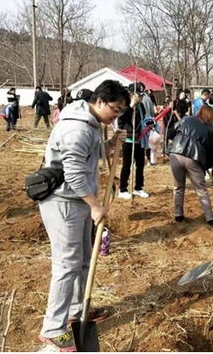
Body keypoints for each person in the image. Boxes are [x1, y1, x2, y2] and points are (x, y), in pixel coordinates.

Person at [37, 79, 129, 351]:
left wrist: (112, 143)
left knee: (85, 259)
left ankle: (79, 309)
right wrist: (94, 205)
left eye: (121, 110)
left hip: (79, 202)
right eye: (115, 108)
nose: (117, 115)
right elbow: (75, 173)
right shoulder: (77, 128)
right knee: (67, 265)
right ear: (100, 101)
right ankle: (53, 328)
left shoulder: (91, 122)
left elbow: (92, 157)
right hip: (63, 202)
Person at [169, 105, 213, 226]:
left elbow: (170, 132)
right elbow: (211, 150)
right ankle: (210, 218)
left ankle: (178, 215)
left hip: (175, 153)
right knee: (201, 188)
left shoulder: (186, 119)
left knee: (178, 187)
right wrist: (207, 165)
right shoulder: (208, 129)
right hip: (193, 157)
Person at [117, 84, 149, 199]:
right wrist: (131, 106)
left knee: (140, 165)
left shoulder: (141, 106)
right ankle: (123, 189)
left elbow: (143, 118)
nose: (140, 97)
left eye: (142, 95)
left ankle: (138, 188)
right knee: (127, 164)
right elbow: (121, 119)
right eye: (138, 95)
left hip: (139, 139)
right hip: (128, 139)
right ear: (132, 94)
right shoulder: (125, 105)